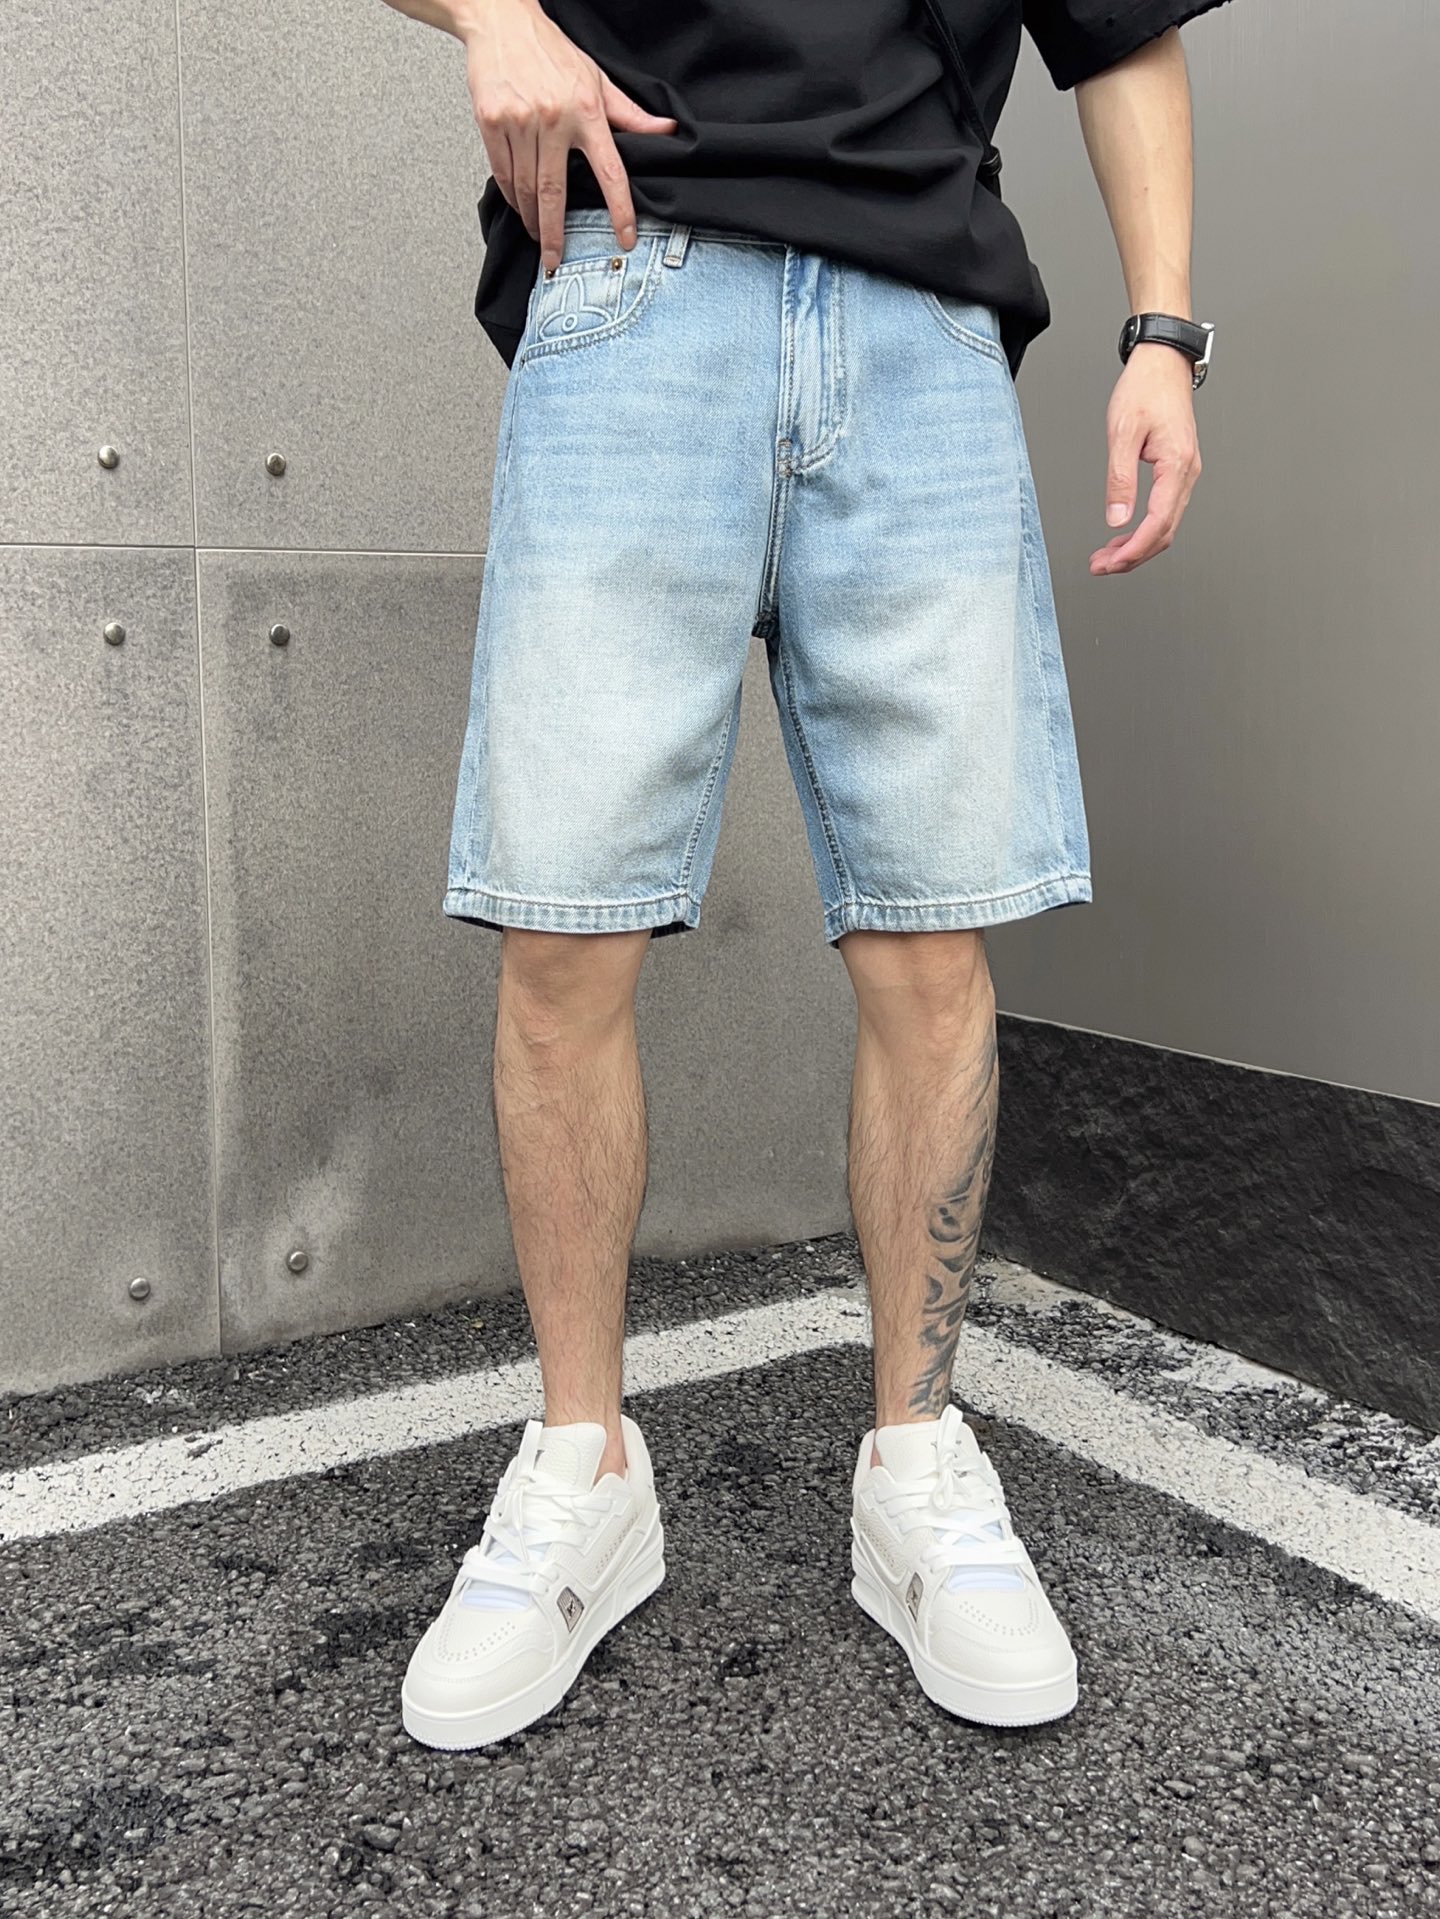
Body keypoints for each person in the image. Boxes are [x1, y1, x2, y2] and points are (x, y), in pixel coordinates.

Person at [381, 0, 1221, 1749]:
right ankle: (582, 1468)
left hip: (921, 318)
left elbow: (1122, 28)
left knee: (930, 943)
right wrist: (495, 16)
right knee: (562, 932)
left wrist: (1163, 332)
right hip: (634, 279)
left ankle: (916, 1462)